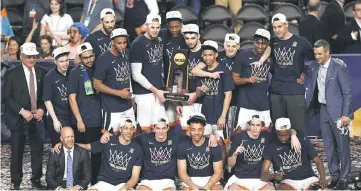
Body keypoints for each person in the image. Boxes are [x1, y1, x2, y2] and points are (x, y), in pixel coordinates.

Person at [305, 39, 353, 189]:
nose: (317, 56)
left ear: (327, 52)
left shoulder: (339, 67)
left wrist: (346, 115)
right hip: (323, 110)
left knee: (342, 146)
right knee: (329, 146)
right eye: (315, 54)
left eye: (320, 54)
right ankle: (335, 175)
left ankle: (345, 178)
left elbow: (347, 92)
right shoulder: (314, 66)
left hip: (339, 113)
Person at [2, 42, 47, 190]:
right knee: (16, 151)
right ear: (21, 56)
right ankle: (16, 181)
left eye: (33, 57)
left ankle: (36, 179)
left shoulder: (42, 72)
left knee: (37, 151)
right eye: (28, 57)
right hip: (18, 119)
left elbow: (44, 95)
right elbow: (6, 98)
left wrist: (41, 109)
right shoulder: (11, 74)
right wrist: (22, 111)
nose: (31, 60)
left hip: (37, 119)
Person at [267, 13, 314, 135]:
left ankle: (300, 153)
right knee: (278, 131)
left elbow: (316, 57)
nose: (277, 30)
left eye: (280, 26)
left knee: (298, 129)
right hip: (276, 91)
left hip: (295, 92)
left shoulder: (301, 42)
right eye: (275, 27)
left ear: (286, 25)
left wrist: (333, 60)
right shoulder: (271, 43)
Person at [67, 42, 102, 185]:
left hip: (98, 119)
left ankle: (95, 183)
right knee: (80, 154)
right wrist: (79, 120)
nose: (89, 60)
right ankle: (78, 183)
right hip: (83, 120)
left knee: (97, 154)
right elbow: (71, 98)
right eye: (85, 57)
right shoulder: (75, 73)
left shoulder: (98, 69)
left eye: (91, 56)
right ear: (80, 58)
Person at [261, 118, 328, 190]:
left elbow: (317, 161)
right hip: (288, 181)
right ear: (276, 132)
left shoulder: (302, 139)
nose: (283, 138)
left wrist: (323, 178)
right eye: (280, 135)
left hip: (309, 178)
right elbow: (263, 175)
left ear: (290, 132)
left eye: (285, 135)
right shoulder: (273, 146)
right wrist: (273, 176)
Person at [77, 119, 143, 191]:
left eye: (131, 129)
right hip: (104, 183)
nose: (129, 131)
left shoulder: (137, 149)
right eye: (125, 128)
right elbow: (87, 147)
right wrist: (69, 144)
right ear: (120, 129)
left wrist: (125, 187)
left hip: (123, 184)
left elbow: (135, 176)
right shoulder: (108, 140)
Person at [93, 28, 135, 134]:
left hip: (127, 106)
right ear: (112, 42)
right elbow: (96, 84)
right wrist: (119, 93)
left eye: (125, 42)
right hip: (111, 108)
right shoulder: (103, 59)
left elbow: (128, 77)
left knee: (131, 135)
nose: (122, 46)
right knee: (110, 138)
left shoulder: (127, 54)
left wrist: (132, 99)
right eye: (119, 43)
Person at [130, 14, 168, 131]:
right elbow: (136, 75)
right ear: (146, 26)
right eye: (152, 27)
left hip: (157, 91)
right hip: (143, 94)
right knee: (144, 128)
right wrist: (156, 91)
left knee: (160, 126)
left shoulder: (160, 39)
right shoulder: (137, 44)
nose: (155, 30)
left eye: (158, 27)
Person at [232, 29, 272, 132]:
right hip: (245, 103)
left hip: (263, 103)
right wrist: (248, 80)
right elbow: (235, 79)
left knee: (265, 133)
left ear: (268, 44)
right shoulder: (242, 56)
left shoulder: (271, 58)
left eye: (263, 43)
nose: (260, 46)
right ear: (253, 41)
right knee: (238, 132)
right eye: (257, 42)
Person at [197, 40, 234, 146]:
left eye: (210, 55)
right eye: (205, 55)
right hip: (205, 114)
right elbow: (198, 94)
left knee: (222, 143)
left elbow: (228, 95)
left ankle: (224, 163)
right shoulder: (203, 71)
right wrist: (200, 89)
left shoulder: (224, 70)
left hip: (219, 114)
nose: (207, 58)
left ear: (216, 54)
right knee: (205, 143)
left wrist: (223, 116)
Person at [225, 114, 275, 191]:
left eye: (258, 125)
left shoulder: (267, 137)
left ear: (262, 127)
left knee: (271, 189)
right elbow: (230, 164)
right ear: (249, 126)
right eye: (252, 125)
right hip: (240, 178)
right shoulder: (239, 137)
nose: (255, 128)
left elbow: (284, 133)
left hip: (260, 179)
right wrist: (235, 154)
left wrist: (293, 135)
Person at [177, 113, 224, 191]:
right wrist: (193, 187)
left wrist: (207, 187)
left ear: (204, 129)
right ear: (189, 129)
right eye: (193, 129)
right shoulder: (182, 146)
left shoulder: (213, 145)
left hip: (210, 180)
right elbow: (182, 173)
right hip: (190, 180)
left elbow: (218, 172)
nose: (196, 133)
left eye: (200, 129)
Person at [43, 47, 73, 146]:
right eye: (61, 61)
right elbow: (47, 100)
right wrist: (55, 120)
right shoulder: (49, 77)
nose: (65, 63)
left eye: (67, 60)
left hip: (72, 116)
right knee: (58, 147)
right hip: (58, 116)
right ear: (55, 62)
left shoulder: (72, 72)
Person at [177, 24, 203, 131]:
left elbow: (212, 78)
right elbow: (179, 78)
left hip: (203, 99)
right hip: (186, 98)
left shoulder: (206, 53)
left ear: (198, 36)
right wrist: (178, 101)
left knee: (203, 130)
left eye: (193, 38)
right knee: (186, 130)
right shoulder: (182, 53)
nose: (190, 41)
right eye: (187, 38)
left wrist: (196, 94)